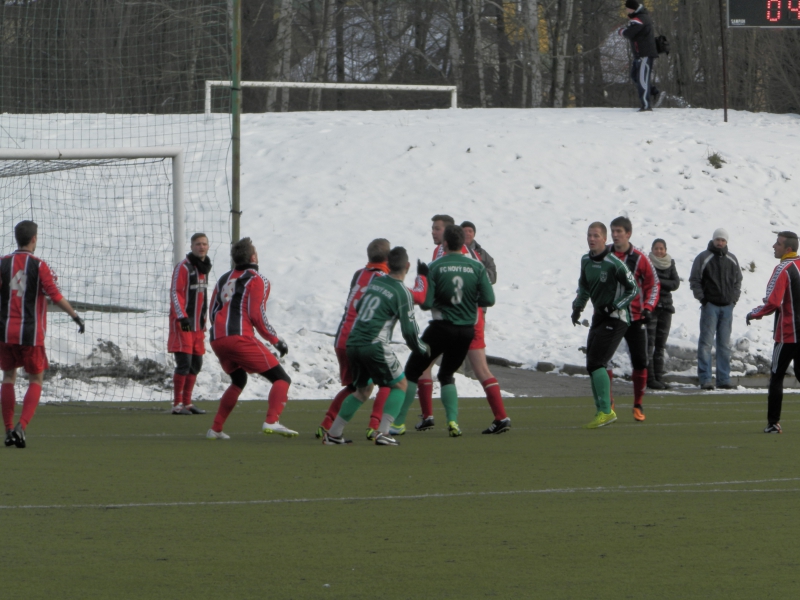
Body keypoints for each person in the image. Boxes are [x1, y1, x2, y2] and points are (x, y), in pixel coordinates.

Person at [397, 215, 510, 435]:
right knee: (450, 369)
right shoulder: (451, 253)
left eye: (437, 229)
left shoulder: (448, 256)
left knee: (424, 366)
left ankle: (420, 418)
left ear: (448, 234)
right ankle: (496, 416)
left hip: (458, 319)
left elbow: (432, 296)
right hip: (469, 321)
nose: (433, 232)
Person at [316, 239, 427, 441]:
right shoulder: (402, 292)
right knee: (399, 385)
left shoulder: (374, 282)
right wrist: (421, 348)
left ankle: (334, 434)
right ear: (408, 266)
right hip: (374, 344)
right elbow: (409, 331)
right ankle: (383, 432)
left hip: (353, 342)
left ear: (389, 264)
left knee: (362, 390)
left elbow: (359, 306)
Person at [1, 221, 85, 448]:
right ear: (34, 239)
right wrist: (75, 316)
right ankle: (21, 427)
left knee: (8, 377)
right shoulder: (39, 266)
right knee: (36, 379)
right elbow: (55, 296)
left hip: (5, 332)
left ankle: (8, 430)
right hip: (30, 333)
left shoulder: (3, 263)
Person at [206, 237, 295, 440]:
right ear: (253, 257)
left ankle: (216, 428)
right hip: (238, 337)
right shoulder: (257, 279)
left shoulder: (223, 279)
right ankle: (272, 420)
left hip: (217, 339)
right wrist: (275, 339)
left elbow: (212, 311)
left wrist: (220, 331)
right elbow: (256, 314)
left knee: (239, 379)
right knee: (281, 379)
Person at [572, 222, 638, 429]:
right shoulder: (586, 260)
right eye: (589, 235)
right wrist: (578, 307)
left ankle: (606, 411)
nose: (591, 239)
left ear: (604, 238)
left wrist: (615, 305)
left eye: (596, 236)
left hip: (616, 318)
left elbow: (633, 289)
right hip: (599, 316)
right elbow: (584, 286)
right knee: (591, 364)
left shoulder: (614, 263)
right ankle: (601, 410)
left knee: (597, 362)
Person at [745, 231, 800, 433]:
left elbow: (773, 302)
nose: (773, 246)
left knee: (776, 376)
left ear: (788, 249)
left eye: (778, 243)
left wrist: (754, 313)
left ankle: (773, 423)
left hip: (787, 334)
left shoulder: (782, 269)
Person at [610, 216, 660, 421]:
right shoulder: (604, 255)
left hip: (635, 318)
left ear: (628, 234)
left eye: (619, 231)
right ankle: (607, 402)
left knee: (640, 362)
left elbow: (653, 284)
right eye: (613, 231)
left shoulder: (640, 258)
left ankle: (638, 404)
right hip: (610, 317)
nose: (615, 235)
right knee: (603, 361)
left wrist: (648, 307)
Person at [689, 228, 742, 390]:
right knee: (706, 343)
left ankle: (723, 379)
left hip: (727, 307)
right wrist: (703, 299)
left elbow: (738, 281)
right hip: (710, 306)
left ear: (726, 242)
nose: (720, 242)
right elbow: (695, 279)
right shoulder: (703, 257)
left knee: (724, 345)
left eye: (723, 240)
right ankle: (705, 378)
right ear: (713, 240)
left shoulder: (732, 259)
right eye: (718, 239)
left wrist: (733, 299)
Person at [168, 232, 211, 415]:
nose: (201, 247)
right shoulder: (183, 267)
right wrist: (182, 317)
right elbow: (175, 292)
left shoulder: (204, 268)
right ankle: (177, 404)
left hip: (198, 327)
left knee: (196, 364)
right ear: (192, 246)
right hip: (184, 324)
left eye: (204, 244)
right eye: (198, 244)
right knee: (184, 363)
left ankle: (187, 403)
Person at [619, 0, 665, 112]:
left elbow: (629, 33)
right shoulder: (639, 17)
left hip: (644, 54)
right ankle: (654, 92)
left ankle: (646, 106)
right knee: (635, 76)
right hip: (639, 54)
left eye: (627, 8)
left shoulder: (640, 19)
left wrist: (621, 31)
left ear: (632, 8)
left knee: (642, 79)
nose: (626, 10)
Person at [646, 238, 680, 389]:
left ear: (665, 250)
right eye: (656, 248)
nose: (659, 251)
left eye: (661, 248)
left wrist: (658, 282)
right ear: (652, 250)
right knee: (649, 344)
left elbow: (675, 283)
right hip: (651, 307)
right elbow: (647, 282)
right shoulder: (647, 263)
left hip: (666, 308)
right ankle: (650, 378)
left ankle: (659, 378)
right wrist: (664, 284)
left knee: (660, 345)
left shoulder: (670, 263)